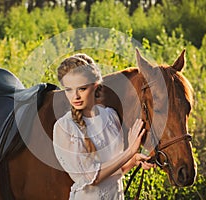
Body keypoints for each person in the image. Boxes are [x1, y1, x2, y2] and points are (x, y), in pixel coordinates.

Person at [53, 53, 155, 200]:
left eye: (81, 88)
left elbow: (111, 173)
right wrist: (130, 151)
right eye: (69, 89)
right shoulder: (64, 127)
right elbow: (91, 178)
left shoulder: (111, 116)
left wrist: (133, 162)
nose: (75, 96)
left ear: (95, 86)